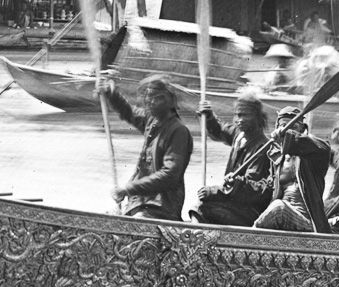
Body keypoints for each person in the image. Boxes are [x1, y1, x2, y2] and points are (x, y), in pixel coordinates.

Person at [98, 74, 193, 222]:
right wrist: (111, 94)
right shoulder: (152, 120)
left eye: (156, 98)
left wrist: (128, 189)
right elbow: (129, 112)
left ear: (168, 101)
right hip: (139, 203)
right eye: (148, 97)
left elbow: (169, 175)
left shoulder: (178, 131)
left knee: (136, 222)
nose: (149, 102)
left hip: (160, 207)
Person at [196, 87, 276, 227]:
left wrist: (215, 191)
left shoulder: (263, 147)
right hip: (232, 202)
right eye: (237, 115)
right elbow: (220, 130)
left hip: (249, 211)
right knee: (203, 202)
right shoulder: (239, 135)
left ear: (257, 117)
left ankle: (194, 237)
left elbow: (249, 189)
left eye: (245, 115)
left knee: (202, 207)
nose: (240, 120)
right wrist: (209, 117)